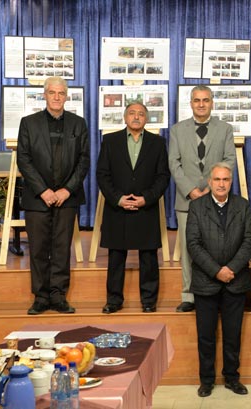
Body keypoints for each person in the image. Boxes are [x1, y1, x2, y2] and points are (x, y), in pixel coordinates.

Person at [17, 76, 90, 315]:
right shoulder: (28, 123)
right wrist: (44, 190)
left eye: (61, 93)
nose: (57, 97)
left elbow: (83, 161)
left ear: (66, 96)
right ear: (45, 95)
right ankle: (40, 297)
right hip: (38, 197)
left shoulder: (78, 124)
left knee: (61, 248)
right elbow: (24, 160)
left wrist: (66, 190)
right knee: (38, 248)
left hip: (67, 197)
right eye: (52, 93)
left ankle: (58, 296)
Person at [186, 162, 251, 397]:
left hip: (235, 280)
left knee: (232, 335)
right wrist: (217, 271)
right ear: (209, 182)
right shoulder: (197, 207)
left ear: (231, 182)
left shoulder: (242, 206)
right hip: (206, 281)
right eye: (217, 179)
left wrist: (231, 268)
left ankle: (232, 378)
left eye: (225, 179)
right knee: (206, 336)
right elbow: (193, 244)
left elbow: (249, 241)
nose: (221, 184)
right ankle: (206, 380)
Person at [96, 102, 170, 314]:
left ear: (146, 118)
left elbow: (163, 176)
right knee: (116, 257)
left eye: (140, 114)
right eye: (132, 113)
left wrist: (146, 198)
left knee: (148, 257)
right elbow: (102, 174)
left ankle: (149, 301)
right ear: (125, 117)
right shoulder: (110, 141)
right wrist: (118, 199)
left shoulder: (158, 143)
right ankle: (113, 300)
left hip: (146, 206)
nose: (136, 117)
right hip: (117, 207)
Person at [169, 85, 236, 313]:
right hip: (187, 200)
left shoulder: (225, 129)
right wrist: (190, 190)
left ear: (212, 103)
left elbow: (229, 160)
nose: (201, 104)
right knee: (189, 248)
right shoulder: (177, 130)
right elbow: (174, 163)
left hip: (216, 197)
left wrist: (211, 189)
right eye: (197, 100)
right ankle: (188, 295)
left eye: (205, 100)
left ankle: (214, 291)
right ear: (190, 103)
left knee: (216, 246)